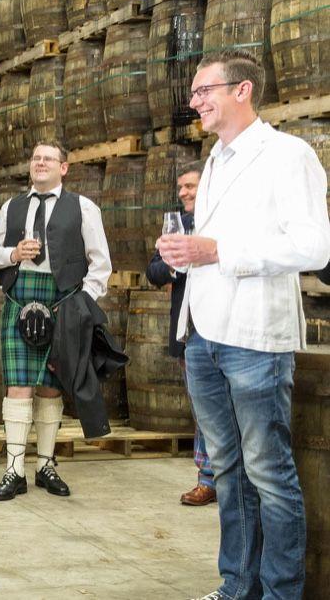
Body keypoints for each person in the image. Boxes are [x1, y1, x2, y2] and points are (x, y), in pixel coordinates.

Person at [158, 49, 330, 600]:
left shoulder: (287, 154)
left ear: (242, 90)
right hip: (205, 336)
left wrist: (217, 251)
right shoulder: (214, 159)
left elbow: (313, 246)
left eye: (203, 91)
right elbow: (212, 246)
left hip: (254, 338)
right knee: (227, 470)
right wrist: (187, 253)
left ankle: (281, 592)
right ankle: (238, 585)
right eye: (193, 93)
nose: (194, 102)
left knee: (269, 473)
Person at [0, 141, 111, 501]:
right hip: (19, 299)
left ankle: (45, 465)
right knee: (18, 386)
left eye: (48, 159)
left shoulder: (83, 207)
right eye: (36, 158)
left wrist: (82, 303)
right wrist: (13, 253)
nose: (40, 163)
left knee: (52, 386)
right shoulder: (12, 206)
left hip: (63, 302)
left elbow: (101, 262)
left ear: (63, 168)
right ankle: (14, 470)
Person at [145, 162, 216, 507]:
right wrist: (174, 265)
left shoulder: (220, 221)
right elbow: (153, 270)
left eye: (191, 186)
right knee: (203, 409)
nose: (184, 192)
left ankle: (233, 479)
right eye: (181, 187)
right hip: (190, 330)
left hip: (224, 325)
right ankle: (208, 479)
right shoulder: (179, 225)